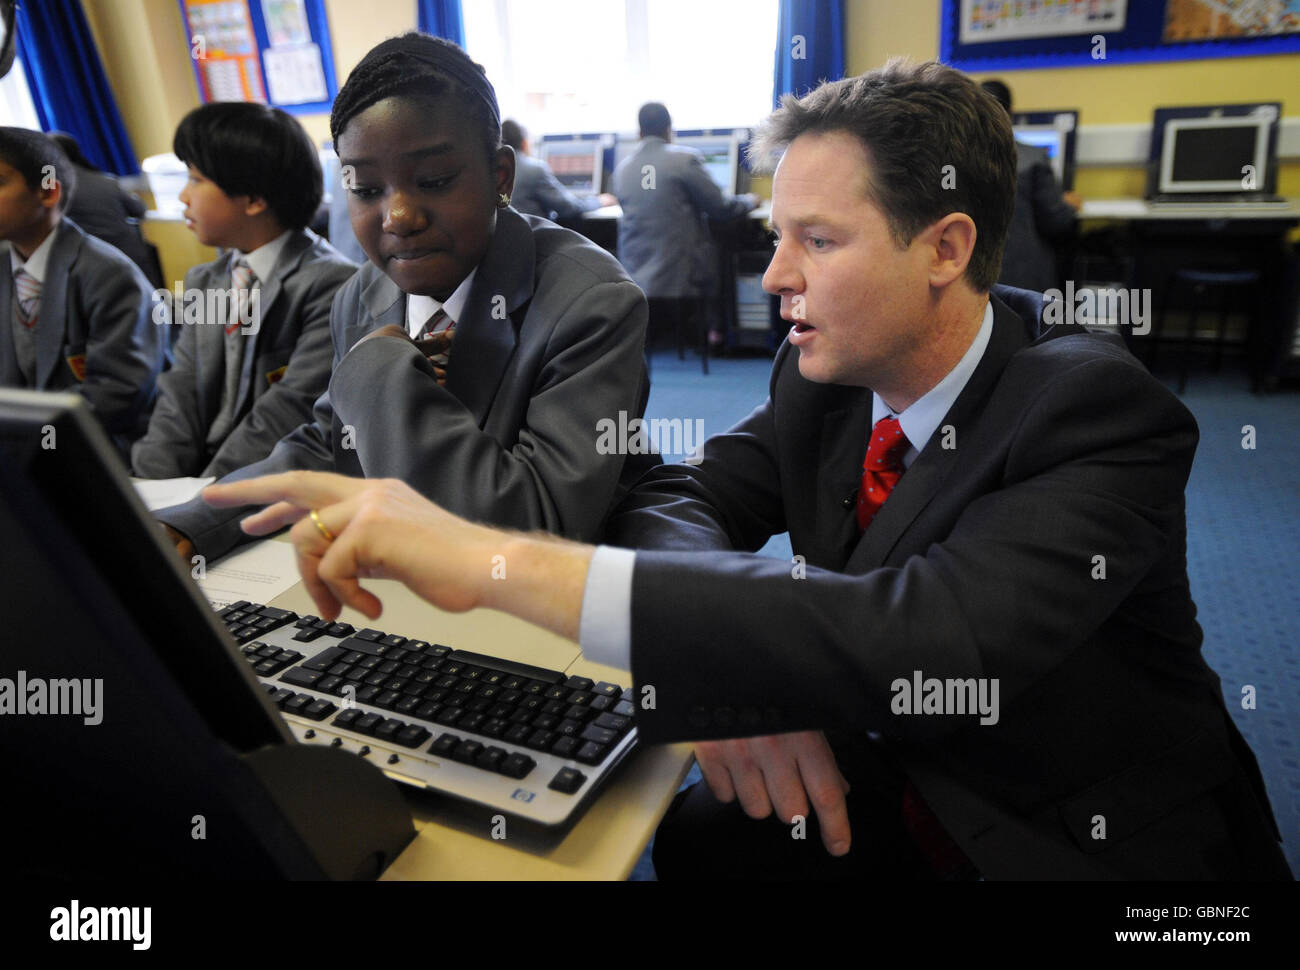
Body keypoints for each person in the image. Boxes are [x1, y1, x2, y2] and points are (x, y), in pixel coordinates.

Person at [203, 60, 1290, 881]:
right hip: (874, 770)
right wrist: (727, 670)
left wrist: (489, 559)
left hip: (1077, 838)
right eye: (776, 234)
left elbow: (930, 634)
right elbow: (679, 497)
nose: (772, 277)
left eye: (816, 241)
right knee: (691, 837)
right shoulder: (818, 374)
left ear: (946, 248)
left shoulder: (1094, 405)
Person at [157, 32, 650, 563]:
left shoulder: (591, 303)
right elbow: (329, 440)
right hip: (396, 588)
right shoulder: (361, 295)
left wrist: (382, 370)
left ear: (500, 177)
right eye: (366, 190)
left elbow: (541, 523)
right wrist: (193, 524)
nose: (398, 217)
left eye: (434, 180)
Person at [131, 103, 357, 481]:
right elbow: (180, 395)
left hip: (266, 480)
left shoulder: (332, 284)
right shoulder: (205, 281)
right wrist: (150, 488)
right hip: (196, 481)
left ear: (254, 200)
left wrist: (201, 501)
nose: (183, 197)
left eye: (197, 180)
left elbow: (288, 411)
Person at [0, 127, 166, 458]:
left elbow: (117, 394)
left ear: (48, 192)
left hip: (102, 451)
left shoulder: (108, 274)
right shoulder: (4, 268)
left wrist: (34, 442)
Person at [612, 102, 757, 355]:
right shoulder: (684, 159)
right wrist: (750, 201)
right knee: (723, 246)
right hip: (681, 266)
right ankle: (715, 334)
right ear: (669, 129)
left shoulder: (622, 169)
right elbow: (721, 208)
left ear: (639, 133)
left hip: (635, 266)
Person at [980, 79, 1080, 293]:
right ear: (1012, 111)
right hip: (1024, 280)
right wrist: (1069, 205)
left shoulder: (957, 159)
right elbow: (1055, 221)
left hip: (975, 274)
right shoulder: (1034, 158)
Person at [49, 131, 160, 287]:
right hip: (132, 255)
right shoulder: (106, 180)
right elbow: (139, 210)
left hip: (93, 265)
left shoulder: (53, 191)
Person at [501, 119, 615, 221]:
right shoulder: (535, 170)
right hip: (535, 240)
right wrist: (599, 201)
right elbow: (570, 208)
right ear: (525, 144)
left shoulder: (496, 169)